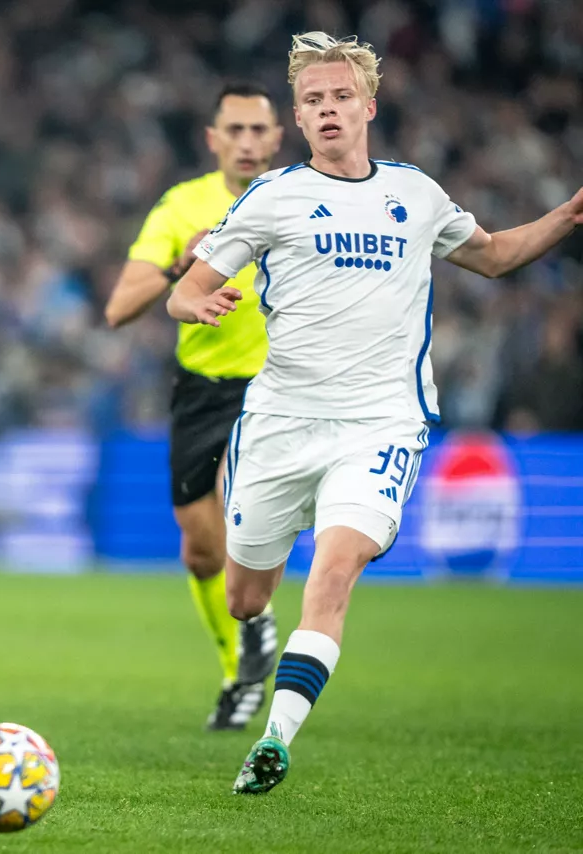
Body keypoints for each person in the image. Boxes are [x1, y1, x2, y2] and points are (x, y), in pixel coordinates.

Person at [168, 31, 583, 794]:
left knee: (333, 574)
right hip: (282, 422)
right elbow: (185, 290)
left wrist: (568, 214)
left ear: (369, 107)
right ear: (299, 119)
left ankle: (275, 739)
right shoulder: (273, 197)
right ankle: (263, 630)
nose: (328, 109)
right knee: (245, 597)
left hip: (381, 424)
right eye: (313, 100)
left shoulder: (416, 195)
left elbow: (494, 255)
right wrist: (197, 304)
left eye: (341, 97)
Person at [106, 83, 283, 730]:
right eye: (234, 130)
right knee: (201, 550)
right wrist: (179, 265)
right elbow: (118, 309)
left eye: (258, 130)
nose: (247, 142)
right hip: (202, 388)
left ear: (277, 138)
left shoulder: (301, 200)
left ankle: (256, 622)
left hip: (279, 385)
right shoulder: (182, 206)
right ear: (213, 139)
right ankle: (241, 669)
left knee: (243, 507)